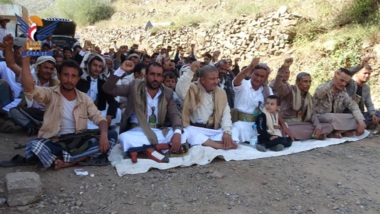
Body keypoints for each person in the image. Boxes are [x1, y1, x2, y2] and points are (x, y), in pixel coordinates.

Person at [22, 56, 117, 169]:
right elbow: (30, 89)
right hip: (55, 141)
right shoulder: (50, 93)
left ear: (78, 78)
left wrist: (104, 136)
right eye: (66, 75)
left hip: (77, 141)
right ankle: (80, 158)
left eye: (73, 76)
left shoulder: (84, 98)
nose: (69, 80)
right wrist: (25, 61)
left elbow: (99, 118)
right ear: (59, 76)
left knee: (112, 135)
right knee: (34, 146)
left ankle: (66, 161)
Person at [103, 61, 186, 163]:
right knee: (124, 138)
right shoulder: (134, 86)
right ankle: (157, 149)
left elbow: (174, 114)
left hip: (158, 131)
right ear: (146, 75)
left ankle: (144, 150)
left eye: (159, 75)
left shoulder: (167, 93)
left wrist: (177, 132)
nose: (155, 78)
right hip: (137, 131)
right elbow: (107, 89)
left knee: (184, 133)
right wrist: (121, 70)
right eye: (152, 74)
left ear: (162, 78)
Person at [176, 62, 238, 150]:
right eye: (212, 79)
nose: (216, 81)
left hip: (212, 130)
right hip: (195, 129)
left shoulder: (221, 92)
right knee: (188, 132)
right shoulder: (192, 89)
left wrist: (227, 132)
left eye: (217, 78)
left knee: (234, 130)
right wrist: (191, 71)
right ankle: (218, 145)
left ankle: (207, 143)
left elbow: (226, 112)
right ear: (203, 80)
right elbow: (180, 89)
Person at [271, 58, 333, 140]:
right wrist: (285, 67)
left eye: (310, 82)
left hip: (301, 124)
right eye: (305, 81)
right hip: (287, 124)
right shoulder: (289, 90)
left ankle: (306, 134)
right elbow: (277, 86)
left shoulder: (309, 97)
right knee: (289, 129)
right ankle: (309, 135)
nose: (308, 84)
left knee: (328, 126)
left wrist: (318, 127)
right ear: (297, 82)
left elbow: (312, 114)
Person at [313, 68, 366, 138]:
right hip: (319, 117)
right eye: (341, 80)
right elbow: (319, 94)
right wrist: (332, 81)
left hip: (335, 119)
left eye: (346, 82)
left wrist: (361, 122)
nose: (343, 84)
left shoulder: (343, 93)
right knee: (331, 116)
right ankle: (342, 131)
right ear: (335, 77)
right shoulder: (324, 87)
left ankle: (337, 132)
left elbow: (353, 106)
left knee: (356, 117)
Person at [232, 57, 275, 143]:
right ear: (251, 73)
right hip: (240, 124)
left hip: (258, 124)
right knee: (237, 129)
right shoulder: (243, 84)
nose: (258, 79)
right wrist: (250, 66)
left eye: (262, 76)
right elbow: (236, 81)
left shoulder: (267, 90)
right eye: (256, 75)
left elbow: (274, 107)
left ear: (265, 78)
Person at [77, 53, 119, 127]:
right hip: (80, 112)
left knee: (117, 112)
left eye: (100, 66)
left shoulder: (103, 83)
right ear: (89, 65)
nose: (97, 68)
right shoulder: (81, 80)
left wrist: (109, 115)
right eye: (94, 65)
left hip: (96, 114)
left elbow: (113, 102)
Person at [346, 58, 379, 129]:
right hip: (347, 114)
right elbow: (346, 73)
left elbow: (369, 104)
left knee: (377, 114)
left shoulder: (366, 88)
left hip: (360, 115)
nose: (367, 76)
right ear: (357, 74)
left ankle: (363, 124)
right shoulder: (349, 83)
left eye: (369, 74)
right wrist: (360, 66)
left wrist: (373, 114)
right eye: (365, 73)